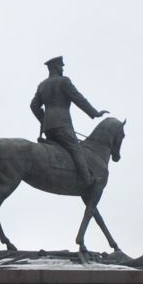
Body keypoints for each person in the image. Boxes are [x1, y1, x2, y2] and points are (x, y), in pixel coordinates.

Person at [29, 54, 105, 190]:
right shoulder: (64, 82)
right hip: (62, 124)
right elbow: (78, 99)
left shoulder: (42, 85)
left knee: (61, 149)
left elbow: (33, 106)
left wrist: (43, 119)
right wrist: (94, 112)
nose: (63, 68)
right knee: (75, 148)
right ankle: (88, 179)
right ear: (56, 67)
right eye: (61, 66)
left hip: (48, 127)